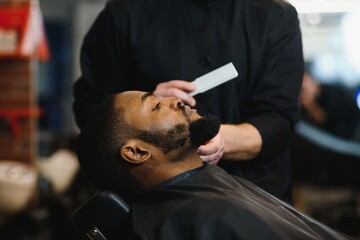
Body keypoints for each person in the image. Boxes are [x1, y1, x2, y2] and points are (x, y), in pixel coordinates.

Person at [73, 0, 304, 201]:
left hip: (256, 193)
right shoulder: (123, 16)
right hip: (157, 202)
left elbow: (279, 119)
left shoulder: (274, 17)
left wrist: (216, 138)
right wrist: (145, 113)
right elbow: (93, 114)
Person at [77, 91, 351, 240]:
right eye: (156, 106)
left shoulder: (209, 192)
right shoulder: (201, 219)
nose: (176, 99)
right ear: (136, 152)